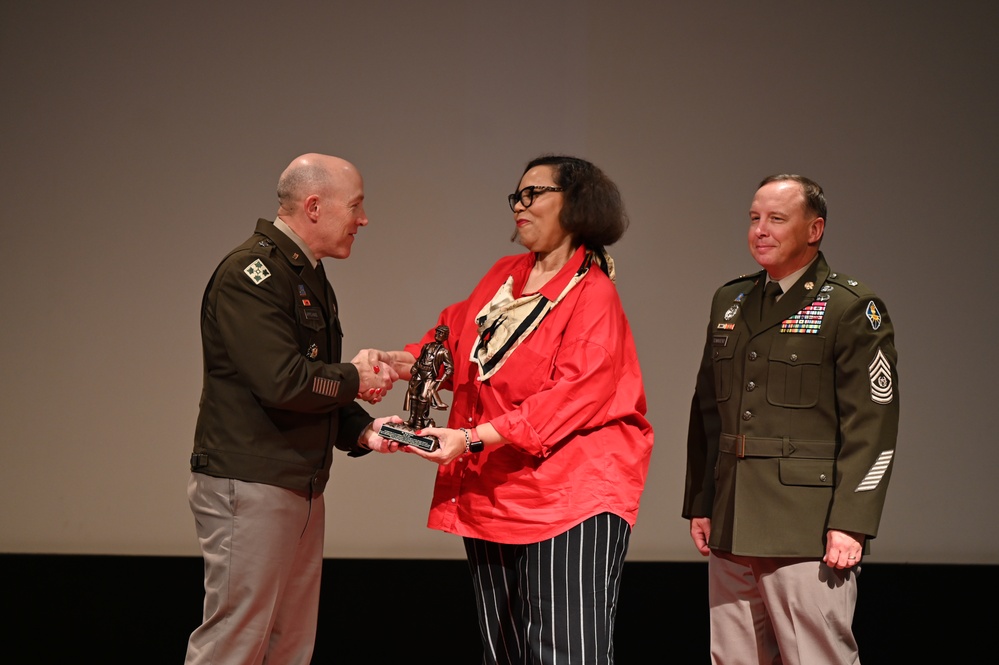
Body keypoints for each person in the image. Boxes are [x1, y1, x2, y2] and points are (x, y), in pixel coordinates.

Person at [375, 155, 654, 664]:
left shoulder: (594, 294)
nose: (519, 207)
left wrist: (472, 437)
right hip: (496, 490)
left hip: (571, 496)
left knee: (569, 654)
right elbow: (455, 339)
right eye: (516, 197)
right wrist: (402, 364)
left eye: (534, 194)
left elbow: (572, 396)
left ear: (576, 204)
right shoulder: (505, 276)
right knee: (504, 653)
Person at [185, 153, 402, 664]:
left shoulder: (308, 276)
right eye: (355, 206)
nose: (363, 219)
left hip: (297, 483)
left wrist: (366, 432)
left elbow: (312, 384)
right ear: (313, 206)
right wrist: (356, 377)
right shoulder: (251, 274)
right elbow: (282, 381)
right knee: (235, 643)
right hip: (252, 481)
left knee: (288, 647)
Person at [683, 174, 900, 664]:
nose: (761, 229)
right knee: (734, 658)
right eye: (755, 218)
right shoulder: (730, 301)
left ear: (814, 229)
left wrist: (851, 522)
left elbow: (873, 427)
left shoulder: (849, 307)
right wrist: (702, 500)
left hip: (805, 527)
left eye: (777, 219)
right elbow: (708, 410)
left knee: (816, 658)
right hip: (732, 520)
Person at [403, 324, 454, 429]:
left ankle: (419, 421)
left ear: (445, 337)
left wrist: (441, 381)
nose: (438, 335)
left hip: (430, 376)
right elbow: (420, 359)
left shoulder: (444, 352)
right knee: (413, 393)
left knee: (423, 397)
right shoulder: (427, 346)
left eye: (441, 333)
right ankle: (412, 418)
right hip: (420, 372)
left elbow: (449, 368)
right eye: (437, 332)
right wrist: (415, 368)